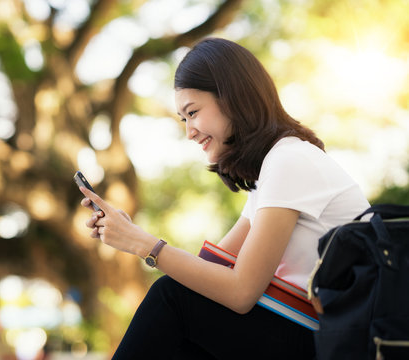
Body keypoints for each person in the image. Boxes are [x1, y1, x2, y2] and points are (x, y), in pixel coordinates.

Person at [78, 37, 370, 359]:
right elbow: (210, 272)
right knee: (181, 302)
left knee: (170, 296)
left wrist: (143, 244)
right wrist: (128, 234)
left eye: (193, 112)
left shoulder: (290, 160)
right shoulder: (274, 169)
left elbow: (241, 291)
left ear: (233, 98)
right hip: (311, 331)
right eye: (183, 119)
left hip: (337, 341)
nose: (189, 131)